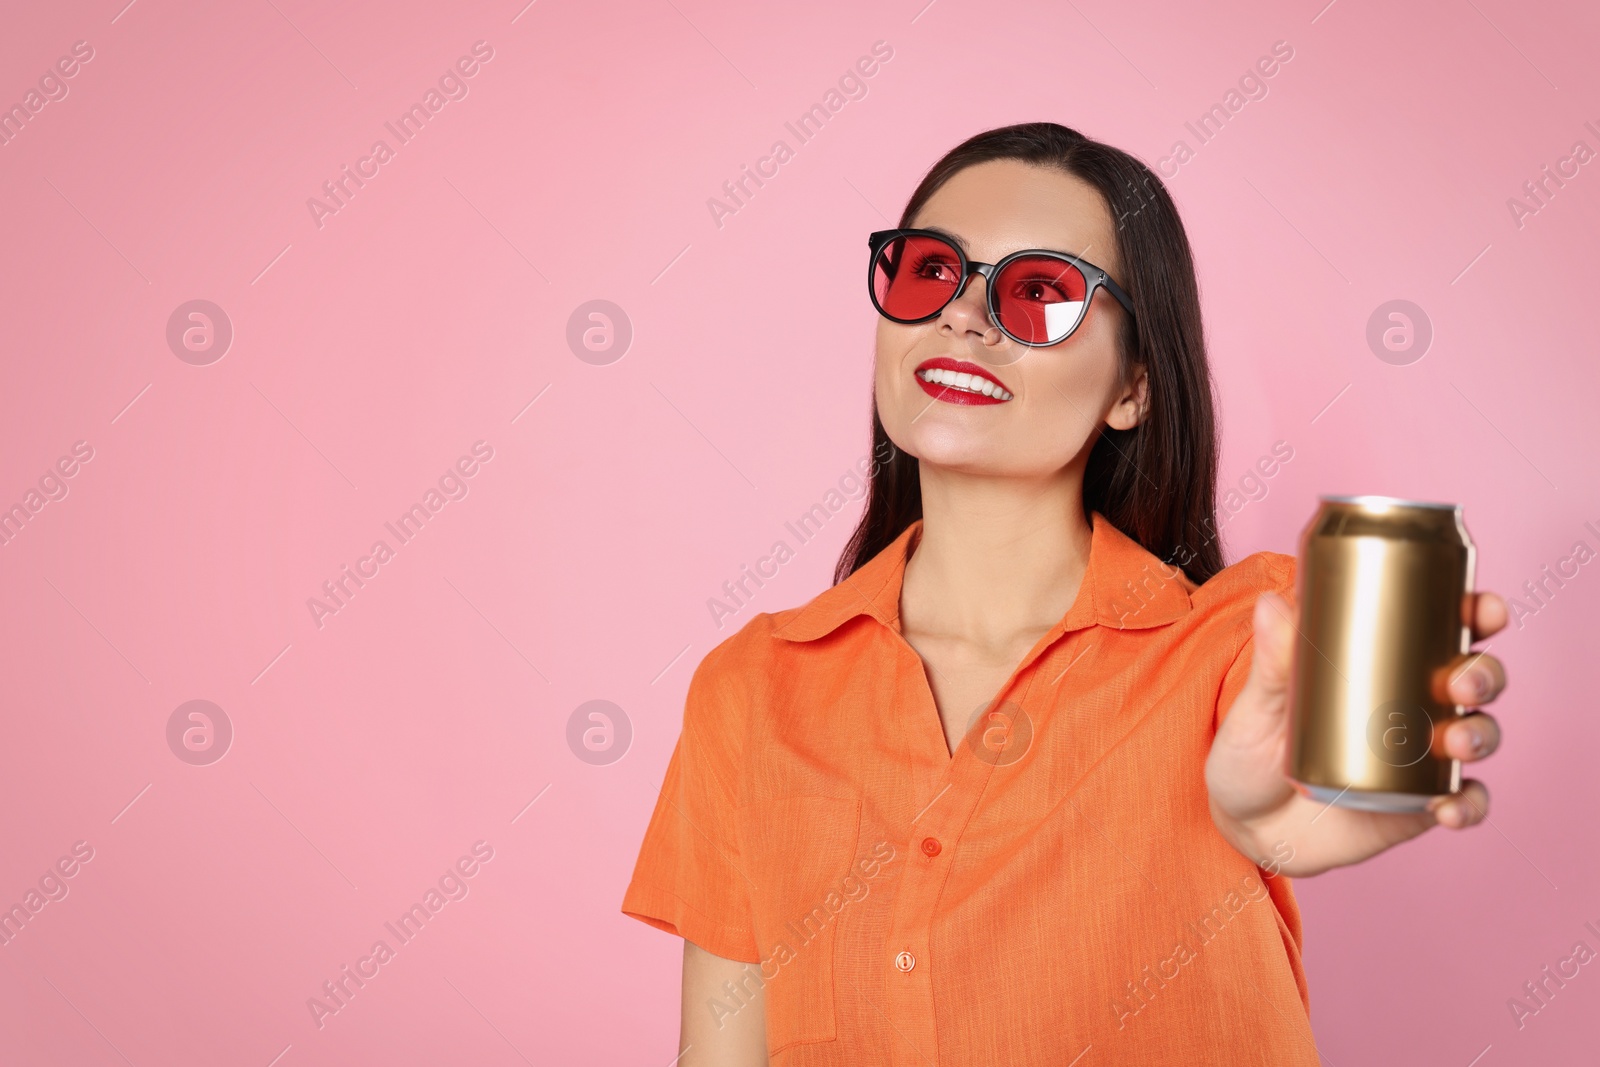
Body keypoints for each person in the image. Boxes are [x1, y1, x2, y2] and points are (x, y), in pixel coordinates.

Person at [621, 121, 1508, 1065]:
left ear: (1132, 386)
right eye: (931, 272)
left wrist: (1285, 812)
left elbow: (1328, 750)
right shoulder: (753, 688)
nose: (962, 317)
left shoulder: (1246, 640)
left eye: (1037, 293)